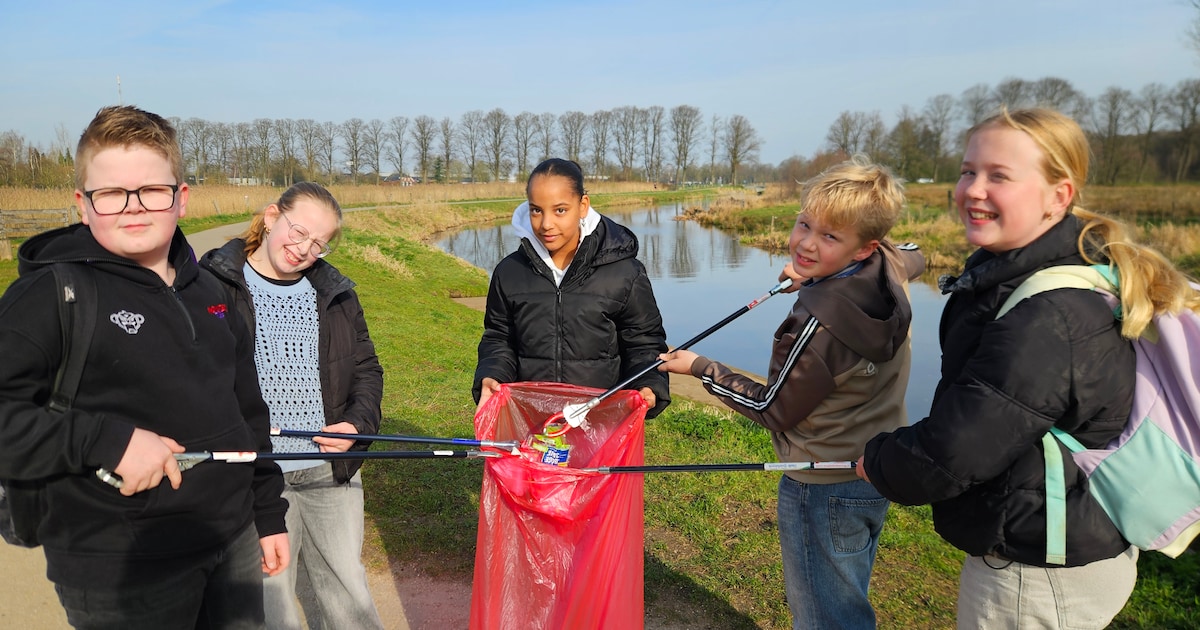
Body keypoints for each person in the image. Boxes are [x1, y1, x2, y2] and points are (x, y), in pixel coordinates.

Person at [856, 108, 1185, 628]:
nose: (973, 190)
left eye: (999, 176)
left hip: (1035, 570)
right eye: (968, 171)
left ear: (1060, 195)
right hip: (1065, 541)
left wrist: (879, 460)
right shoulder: (1046, 275)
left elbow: (956, 449)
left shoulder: (1047, 314)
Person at [0, 105, 288, 628]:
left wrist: (267, 514)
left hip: (233, 543)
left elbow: (247, 409)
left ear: (181, 198)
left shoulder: (215, 291)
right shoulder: (50, 294)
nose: (133, 208)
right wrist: (107, 441)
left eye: (152, 190)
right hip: (122, 569)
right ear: (83, 205)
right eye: (111, 193)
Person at [658, 155, 925, 630]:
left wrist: (699, 366)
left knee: (825, 617)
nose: (805, 242)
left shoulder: (818, 326)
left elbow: (773, 408)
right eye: (805, 224)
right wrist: (819, 274)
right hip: (873, 470)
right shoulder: (889, 270)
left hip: (820, 483)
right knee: (847, 604)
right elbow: (913, 251)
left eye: (829, 237)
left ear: (863, 249)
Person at [201, 182, 385, 630]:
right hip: (257, 472)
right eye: (298, 231)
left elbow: (367, 371)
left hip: (328, 468)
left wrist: (355, 425)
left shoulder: (337, 294)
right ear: (270, 217)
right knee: (273, 599)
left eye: (318, 243)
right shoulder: (213, 285)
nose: (303, 249)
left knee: (348, 591)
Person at [473, 157, 670, 419]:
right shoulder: (509, 273)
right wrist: (492, 375)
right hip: (532, 418)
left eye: (560, 210)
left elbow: (644, 342)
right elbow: (499, 338)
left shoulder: (625, 273)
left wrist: (648, 384)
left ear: (583, 206)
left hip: (601, 419)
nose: (546, 224)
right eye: (536, 210)